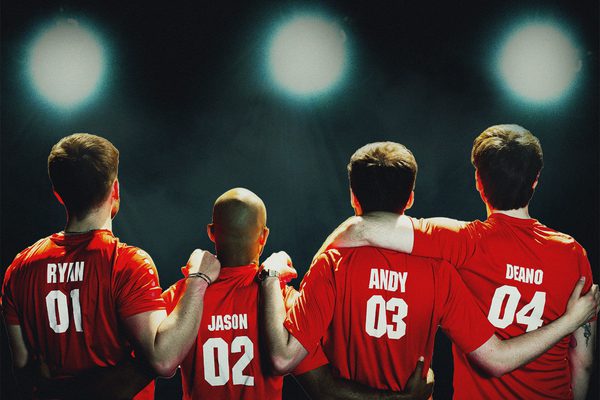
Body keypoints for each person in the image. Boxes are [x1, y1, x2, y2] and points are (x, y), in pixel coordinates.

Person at [259, 141, 599, 396]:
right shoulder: (440, 271)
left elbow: (284, 358)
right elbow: (498, 357)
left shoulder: (332, 262)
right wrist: (570, 321)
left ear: (352, 195)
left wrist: (272, 276)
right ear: (410, 199)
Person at [1, 133, 221, 399]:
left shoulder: (19, 268)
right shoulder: (127, 263)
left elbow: (23, 373)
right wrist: (198, 280)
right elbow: (163, 360)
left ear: (58, 194)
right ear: (115, 189)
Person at [161, 187, 433, 399]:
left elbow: (143, 364)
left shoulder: (182, 297)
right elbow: (324, 390)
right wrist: (400, 398)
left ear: (212, 232)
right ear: (263, 236)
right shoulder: (283, 300)